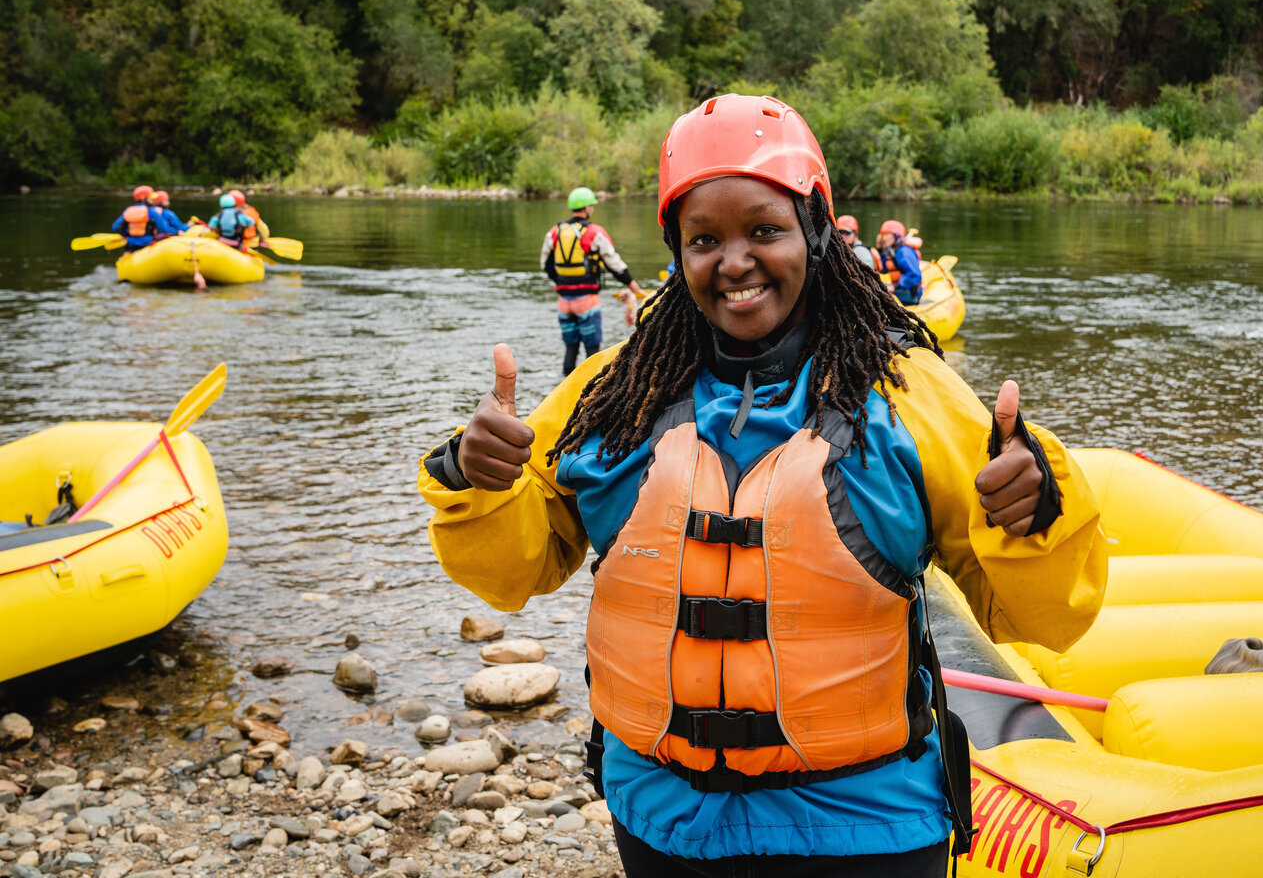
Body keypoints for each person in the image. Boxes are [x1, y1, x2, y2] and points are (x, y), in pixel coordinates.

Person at [418, 94, 1107, 877]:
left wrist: (1035, 519)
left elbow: (1044, 618)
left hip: (868, 828)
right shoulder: (612, 395)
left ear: (815, 229)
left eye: (764, 230)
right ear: (678, 252)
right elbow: (512, 575)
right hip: (663, 822)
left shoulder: (909, 397)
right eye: (704, 239)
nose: (734, 261)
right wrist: (476, 483)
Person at [540, 186, 646, 375]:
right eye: (592, 206)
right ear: (587, 208)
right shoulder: (594, 233)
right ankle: (593, 396)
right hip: (587, 302)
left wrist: (561, 283)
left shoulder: (554, 232)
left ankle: (565, 392)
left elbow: (545, 265)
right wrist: (632, 284)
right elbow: (614, 264)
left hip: (564, 302)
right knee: (592, 353)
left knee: (570, 349)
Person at [878, 219, 923, 305]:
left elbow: (915, 276)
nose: (884, 238)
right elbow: (882, 269)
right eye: (883, 235)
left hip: (910, 294)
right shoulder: (892, 251)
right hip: (901, 290)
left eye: (887, 234)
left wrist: (895, 287)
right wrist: (879, 249)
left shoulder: (903, 252)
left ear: (896, 236)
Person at [113, 185, 171, 250]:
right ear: (143, 199)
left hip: (130, 244)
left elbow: (115, 226)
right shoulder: (151, 211)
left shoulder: (128, 210)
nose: (153, 200)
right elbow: (165, 228)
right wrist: (177, 232)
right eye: (150, 197)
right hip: (147, 245)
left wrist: (126, 235)